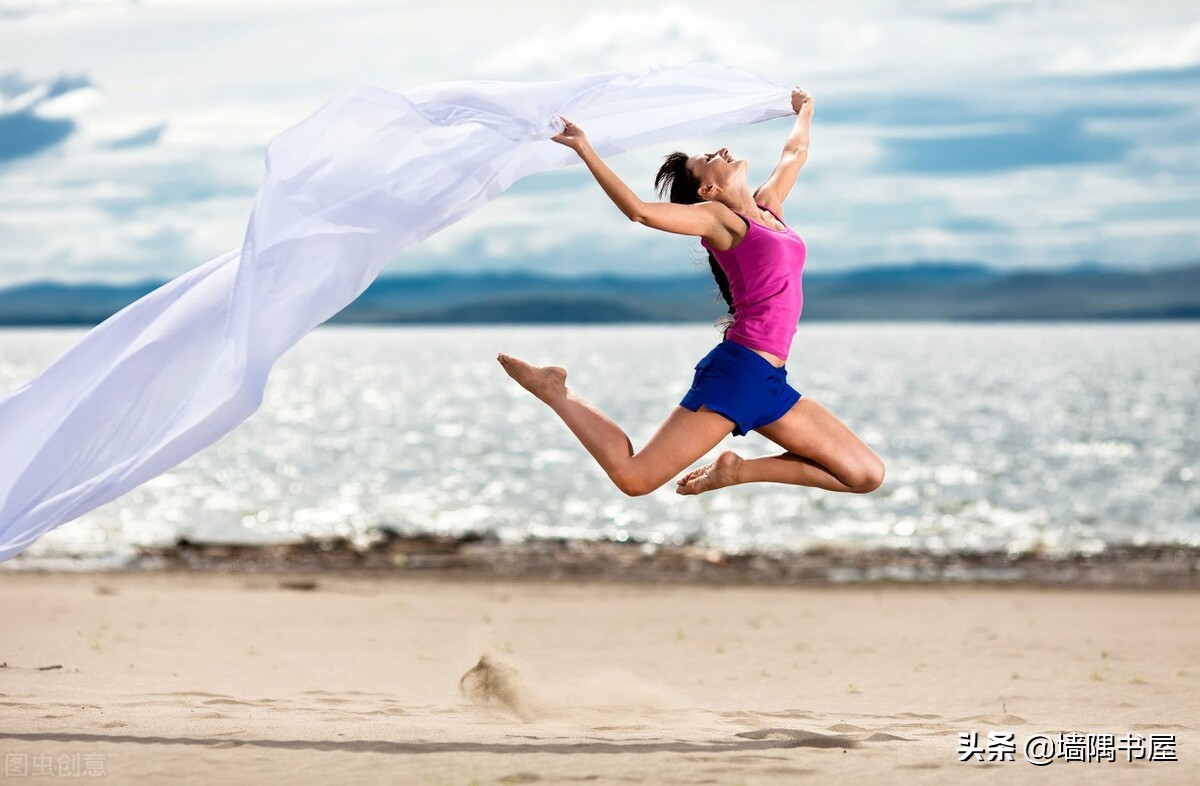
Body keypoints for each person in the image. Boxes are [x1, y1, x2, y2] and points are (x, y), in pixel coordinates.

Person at [497, 87, 884, 497]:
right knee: (635, 478)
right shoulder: (720, 221)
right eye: (708, 160)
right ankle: (555, 391)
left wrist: (805, 109)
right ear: (707, 192)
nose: (721, 150)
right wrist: (585, 149)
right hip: (739, 372)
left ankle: (737, 471)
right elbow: (639, 211)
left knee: (865, 475)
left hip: (769, 378)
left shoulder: (768, 208)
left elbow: (795, 153)